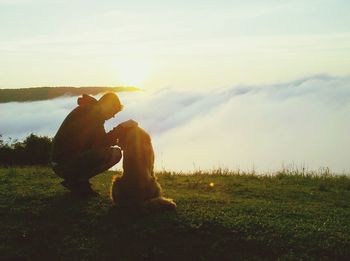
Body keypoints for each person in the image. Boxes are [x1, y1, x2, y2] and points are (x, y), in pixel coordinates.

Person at [51, 92, 123, 196]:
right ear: (108, 104)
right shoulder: (92, 112)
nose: (113, 116)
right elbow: (101, 143)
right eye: (114, 111)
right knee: (115, 153)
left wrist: (116, 137)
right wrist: (120, 129)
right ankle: (77, 181)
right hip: (64, 164)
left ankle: (78, 181)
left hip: (61, 162)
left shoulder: (90, 110)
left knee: (109, 152)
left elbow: (97, 142)